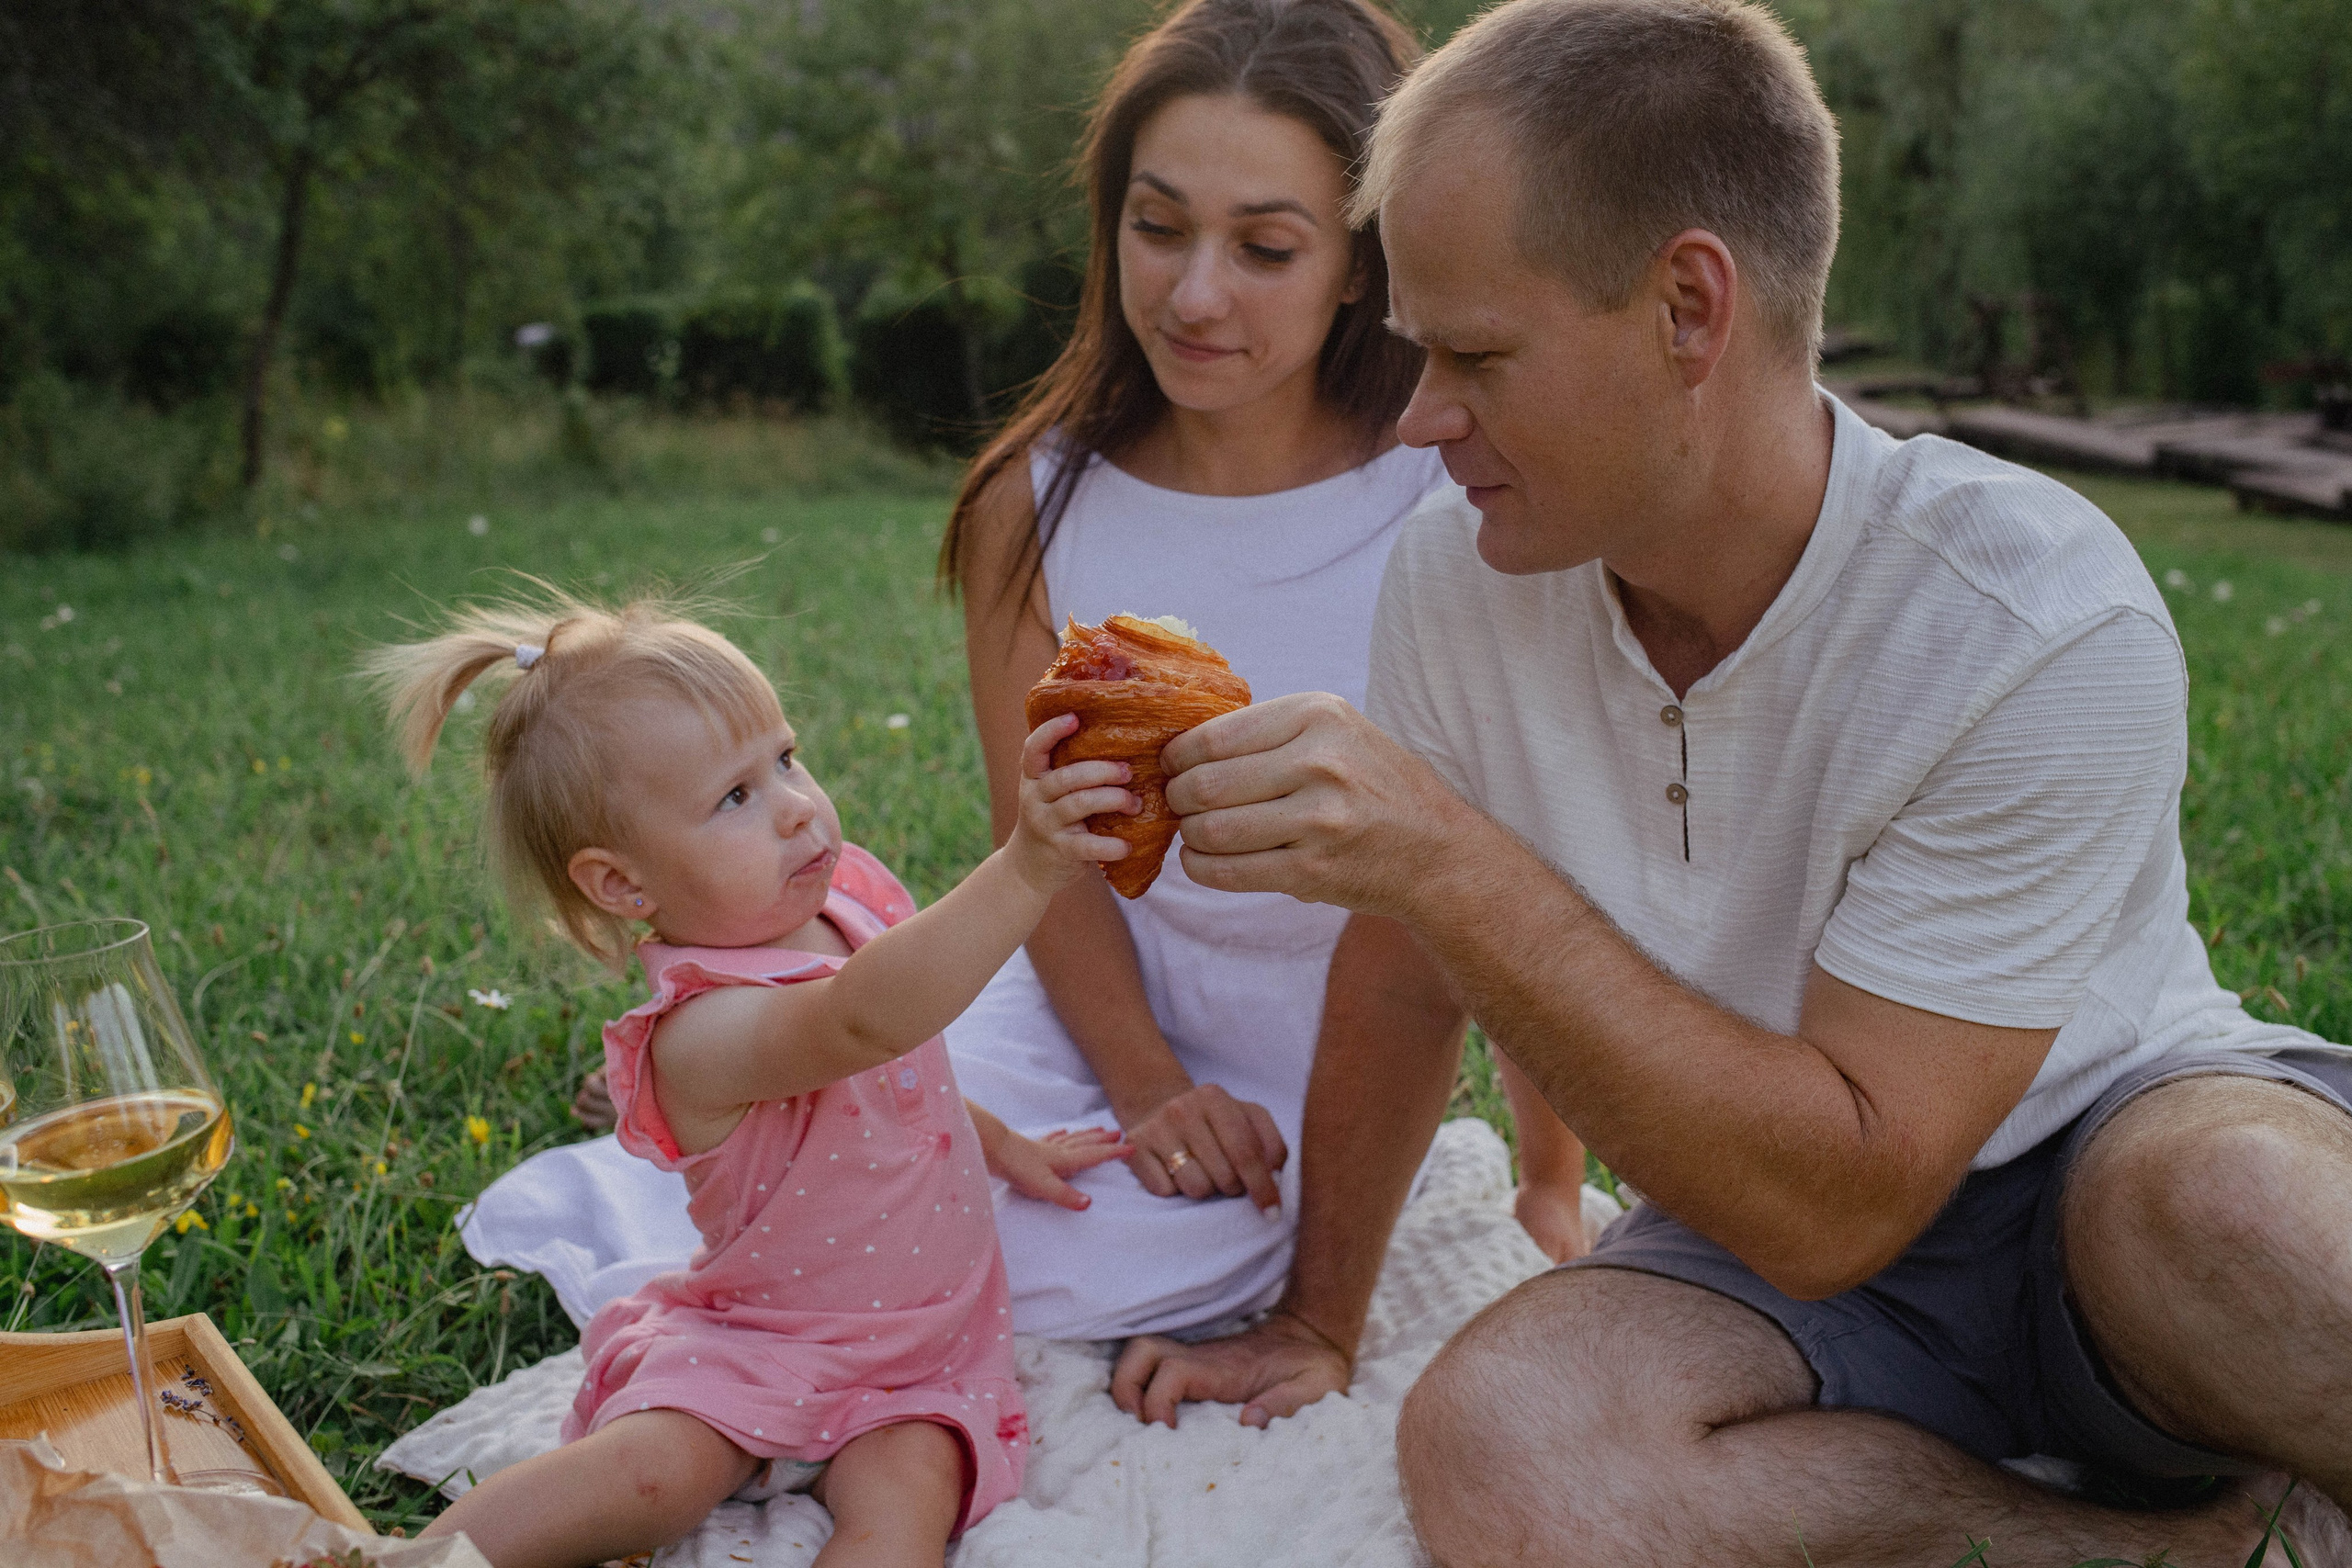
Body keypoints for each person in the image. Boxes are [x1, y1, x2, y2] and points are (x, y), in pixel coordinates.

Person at [1116, 0, 2352, 1559]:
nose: (1421, 417)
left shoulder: (2030, 613)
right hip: (1781, 1265)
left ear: (1689, 308)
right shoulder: (1460, 579)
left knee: (2242, 1208)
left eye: (1476, 354)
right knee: (1504, 1445)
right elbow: (1404, 974)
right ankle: (2139, 1541)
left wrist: (1438, 854)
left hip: (2107, 1151)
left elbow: (1848, 1185)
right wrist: (1318, 1315)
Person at [936, 0, 1593, 1347]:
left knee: (1063, 1274)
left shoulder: (1458, 494)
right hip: (1087, 1010)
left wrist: (1552, 1177)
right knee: (894, 1175)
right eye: (1158, 225)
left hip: (1335, 1062)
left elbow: (1523, 866)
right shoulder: (1033, 499)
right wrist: (1147, 1085)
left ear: (1362, 262)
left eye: (1266, 246)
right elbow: (1037, 843)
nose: (1193, 295)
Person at [367, 593, 1133, 1568]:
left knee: (904, 1516)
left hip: (921, 1351)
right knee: (651, 1477)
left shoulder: (846, 897)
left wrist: (1005, 1144)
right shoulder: (703, 1028)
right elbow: (864, 1020)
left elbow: (904, 1078)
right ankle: (395, 1562)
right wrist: (1024, 869)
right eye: (736, 797)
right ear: (623, 886)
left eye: (785, 757)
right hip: (766, 1336)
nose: (797, 803)